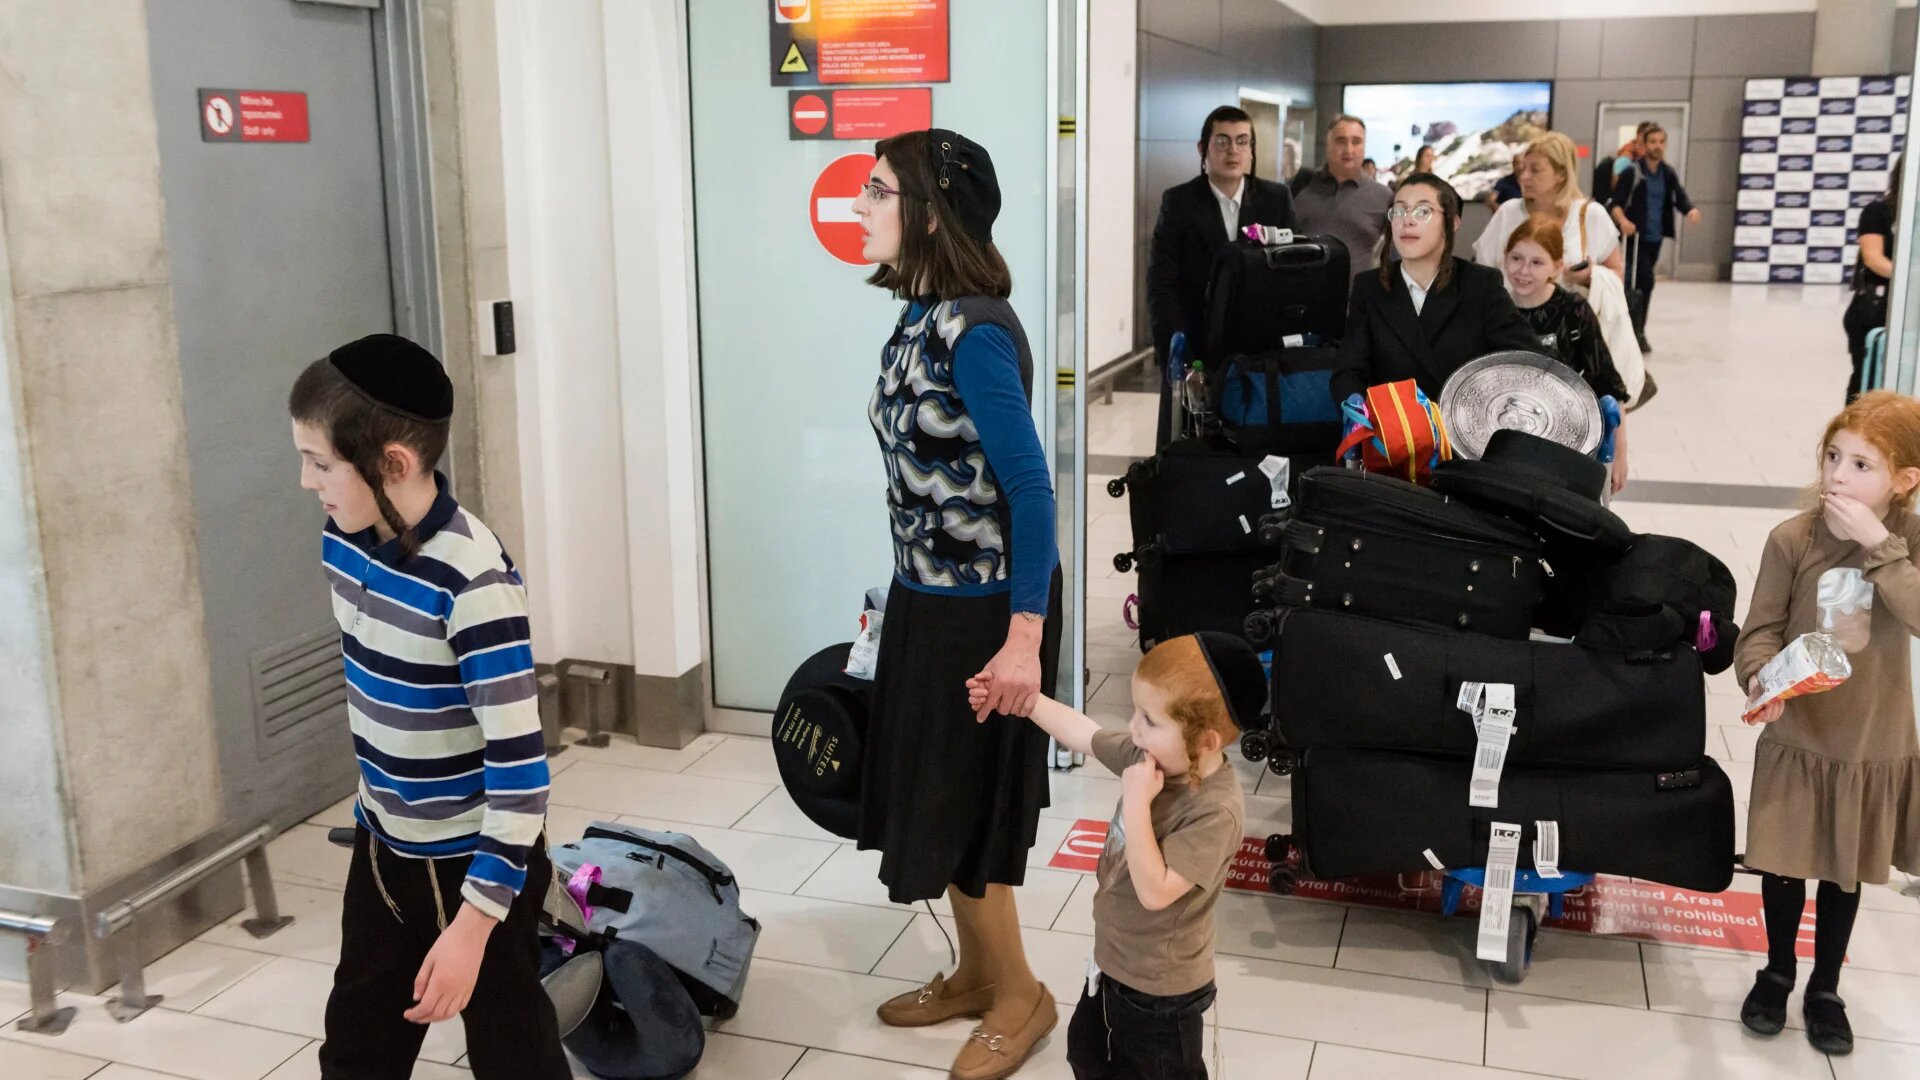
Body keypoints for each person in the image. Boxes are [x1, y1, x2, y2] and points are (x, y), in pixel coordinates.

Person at [288, 335, 569, 1079]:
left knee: (515, 1057)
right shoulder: (342, 540)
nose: (305, 481)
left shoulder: (474, 585)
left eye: (320, 463)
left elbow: (522, 776)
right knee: (357, 1050)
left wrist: (474, 925)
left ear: (395, 464)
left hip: (480, 864)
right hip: (384, 849)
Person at [850, 128, 1064, 1080]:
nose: (861, 206)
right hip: (923, 604)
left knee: (971, 814)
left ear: (930, 215)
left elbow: (1032, 491)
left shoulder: (975, 330)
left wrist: (1024, 642)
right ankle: (978, 974)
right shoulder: (916, 317)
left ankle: (1021, 993)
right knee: (936, 808)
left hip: (986, 618)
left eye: (877, 191)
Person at [968, 632, 1262, 1080]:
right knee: (1086, 1055)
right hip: (1112, 965)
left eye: (1150, 719)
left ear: (1205, 741)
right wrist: (1025, 701)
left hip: (1163, 992)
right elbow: (1084, 734)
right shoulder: (1152, 756)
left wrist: (1138, 802)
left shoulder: (1214, 810)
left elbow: (1156, 891)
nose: (1134, 728)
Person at [1734, 391, 1920, 1057]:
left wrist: (1882, 547)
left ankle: (1826, 987)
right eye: (1834, 457)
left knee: (1844, 870)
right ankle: (1777, 972)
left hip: (1871, 740)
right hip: (1800, 734)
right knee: (1785, 862)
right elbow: (1758, 632)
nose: (1839, 474)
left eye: (1862, 465)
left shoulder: (1913, 542)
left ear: (1904, 481)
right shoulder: (1793, 538)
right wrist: (1760, 677)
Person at [1146, 105, 1300, 447]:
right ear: (1203, 149)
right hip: (1196, 348)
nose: (1234, 150)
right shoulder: (1179, 202)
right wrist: (1178, 358)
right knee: (1189, 451)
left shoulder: (1276, 199)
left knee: (1257, 450)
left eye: (1243, 142)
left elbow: (1293, 277)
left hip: (1259, 351)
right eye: (1223, 141)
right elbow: (1162, 285)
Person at [1330, 173, 1541, 405]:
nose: (1407, 220)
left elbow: (1531, 361)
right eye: (1399, 211)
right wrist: (1356, 411)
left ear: (1452, 222)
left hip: (1461, 434)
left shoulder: (1480, 284)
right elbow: (1349, 370)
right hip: (1396, 433)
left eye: (1423, 211)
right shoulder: (1370, 287)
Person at [1475, 132, 1645, 404]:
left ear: (1561, 174)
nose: (1524, 177)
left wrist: (1590, 276)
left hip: (1576, 339)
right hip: (1511, 332)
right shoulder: (1508, 213)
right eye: (1522, 169)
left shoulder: (1591, 215)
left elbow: (1617, 273)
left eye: (1535, 170)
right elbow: (1483, 274)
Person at [1502, 214, 1632, 494]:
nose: (1523, 271)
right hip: (1510, 439)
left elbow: (1609, 384)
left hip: (1568, 441)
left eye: (1537, 263)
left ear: (1556, 266)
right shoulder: (1496, 309)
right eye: (1516, 258)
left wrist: (1620, 455)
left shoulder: (1573, 311)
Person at [1607, 123, 1700, 352]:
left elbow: (1679, 196)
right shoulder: (1632, 172)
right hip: (1634, 239)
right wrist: (1623, 221)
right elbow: (1615, 204)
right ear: (1643, 145)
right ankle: (1631, 332)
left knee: (1644, 286)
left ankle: (1638, 330)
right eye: (1652, 142)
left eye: (1661, 142)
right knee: (1641, 281)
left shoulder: (1667, 173)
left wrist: (1690, 210)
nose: (1657, 147)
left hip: (1655, 237)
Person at [1291, 114, 1393, 272]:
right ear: (1328, 144)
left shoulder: (1384, 197)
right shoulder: (1298, 187)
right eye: (1341, 141)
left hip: (1356, 295)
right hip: (1297, 291)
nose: (1349, 150)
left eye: (1356, 141)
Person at [1846, 159, 1901, 401]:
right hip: (1874, 308)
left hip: (1905, 310)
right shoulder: (1878, 212)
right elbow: (1873, 259)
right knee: (1867, 383)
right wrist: (1909, 281)